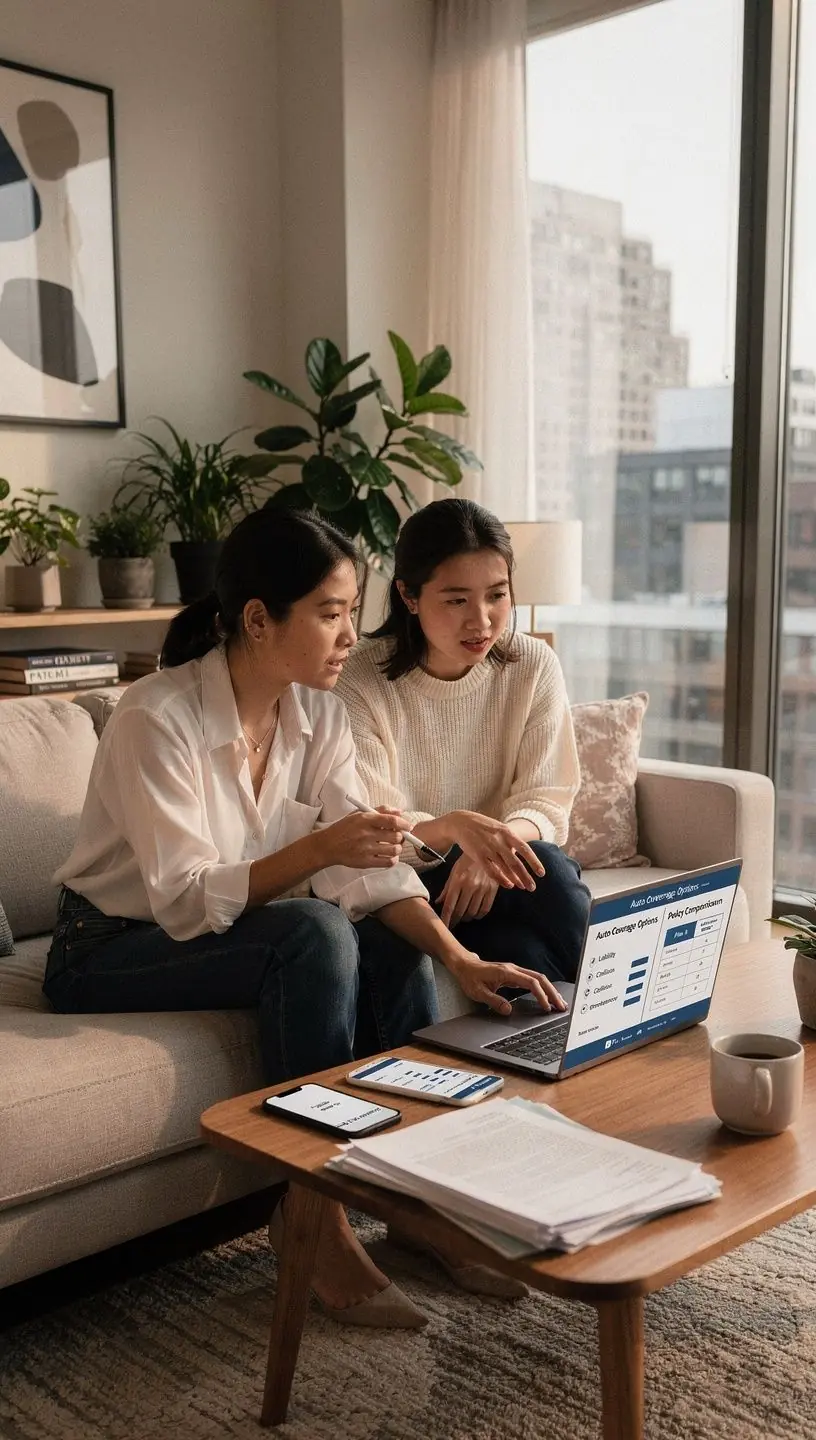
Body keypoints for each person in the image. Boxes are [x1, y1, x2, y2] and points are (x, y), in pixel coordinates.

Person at [43, 507, 563, 1326]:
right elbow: (185, 898)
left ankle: (412, 1199)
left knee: (382, 944)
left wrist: (458, 961)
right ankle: (311, 1221)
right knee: (315, 933)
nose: (350, 636)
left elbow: (372, 870)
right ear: (258, 619)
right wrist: (323, 848)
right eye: (330, 613)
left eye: (353, 612)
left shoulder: (316, 712)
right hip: (104, 947)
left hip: (206, 931)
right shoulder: (157, 717)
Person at [336, 497, 591, 1000]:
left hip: (500, 882)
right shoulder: (356, 678)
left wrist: (491, 851)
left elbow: (547, 799)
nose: (481, 620)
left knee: (532, 956)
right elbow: (373, 829)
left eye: (496, 595)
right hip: (407, 890)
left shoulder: (532, 664)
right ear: (409, 595)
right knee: (555, 875)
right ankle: (625, 1016)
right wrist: (460, 835)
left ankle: (596, 1046)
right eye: (456, 600)